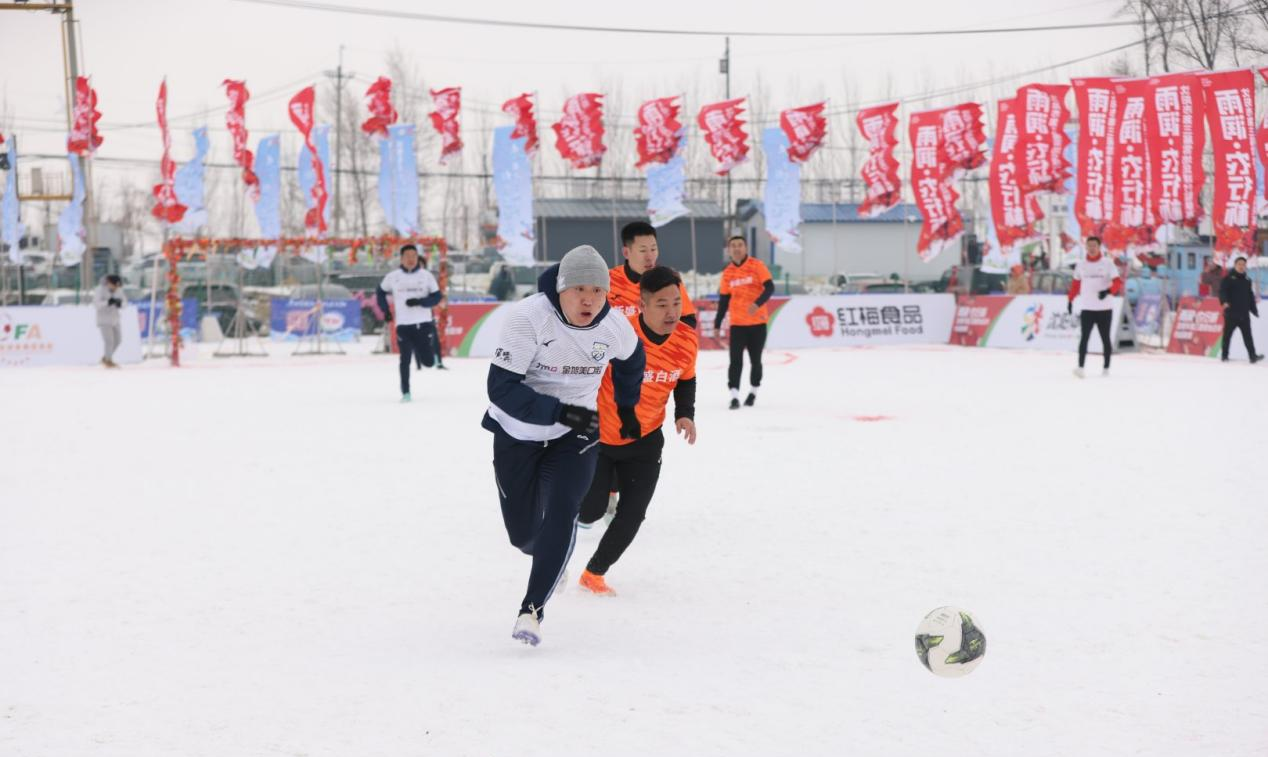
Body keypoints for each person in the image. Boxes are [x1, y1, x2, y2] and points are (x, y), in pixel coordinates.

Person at [482, 245, 645, 647]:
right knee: (523, 536)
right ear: (560, 289)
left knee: (562, 509)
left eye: (597, 290)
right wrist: (558, 412)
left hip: (577, 433)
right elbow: (501, 389)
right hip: (517, 432)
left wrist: (626, 408)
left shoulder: (615, 327)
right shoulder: (528, 318)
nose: (588, 299)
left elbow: (632, 361)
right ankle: (550, 558)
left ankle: (531, 610)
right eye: (578, 290)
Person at [576, 266, 698, 597]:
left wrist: (684, 414)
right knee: (590, 511)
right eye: (662, 304)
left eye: (676, 303)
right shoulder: (617, 334)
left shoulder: (687, 339)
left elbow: (686, 378)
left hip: (646, 440)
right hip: (601, 438)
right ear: (642, 305)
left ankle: (594, 574)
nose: (672, 312)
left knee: (633, 515)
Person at [376, 244, 443, 402]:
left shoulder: (426, 276)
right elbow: (380, 291)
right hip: (403, 325)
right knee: (404, 359)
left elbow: (437, 297)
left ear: (417, 258)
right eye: (407, 256)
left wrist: (420, 302)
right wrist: (386, 311)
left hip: (424, 324)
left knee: (428, 362)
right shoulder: (393, 276)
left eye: (414, 256)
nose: (411, 259)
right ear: (401, 258)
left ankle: (427, 355)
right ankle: (406, 392)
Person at [714, 235, 774, 408]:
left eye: (740, 245)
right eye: (733, 245)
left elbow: (770, 287)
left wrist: (757, 303)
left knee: (756, 360)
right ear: (729, 250)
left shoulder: (757, 265)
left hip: (758, 323)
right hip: (737, 324)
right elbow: (724, 301)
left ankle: (753, 391)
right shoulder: (728, 273)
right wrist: (717, 324)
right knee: (735, 361)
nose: (736, 248)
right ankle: (734, 395)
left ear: (746, 248)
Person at [607, 221, 697, 328]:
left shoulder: (668, 278)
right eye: (643, 250)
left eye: (653, 249)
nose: (650, 257)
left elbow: (688, 321)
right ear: (626, 252)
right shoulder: (607, 281)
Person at [1067, 236, 1122, 378]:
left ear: (1099, 247)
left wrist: (1108, 291)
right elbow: (1075, 285)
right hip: (1087, 308)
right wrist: (1070, 300)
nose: (1092, 248)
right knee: (1084, 338)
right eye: (1089, 245)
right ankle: (1080, 367)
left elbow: (1117, 283)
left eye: (1094, 246)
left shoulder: (1108, 263)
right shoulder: (1081, 265)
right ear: (1086, 247)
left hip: (1104, 308)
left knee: (1105, 338)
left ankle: (1106, 368)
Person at [1219, 256, 1263, 364]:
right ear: (1235, 265)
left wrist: (1254, 310)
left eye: (1243, 264)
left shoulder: (1247, 280)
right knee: (1227, 336)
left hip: (1244, 314)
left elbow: (1250, 296)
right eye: (1239, 264)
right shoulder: (1228, 278)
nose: (1241, 266)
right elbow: (1222, 291)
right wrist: (1224, 302)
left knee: (1248, 336)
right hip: (1231, 313)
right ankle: (1224, 355)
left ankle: (1252, 356)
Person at [93, 274, 125, 368]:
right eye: (114, 285)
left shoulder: (119, 290)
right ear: (109, 283)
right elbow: (96, 304)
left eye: (117, 286)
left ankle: (106, 357)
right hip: (104, 320)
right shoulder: (100, 290)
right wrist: (108, 302)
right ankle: (108, 360)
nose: (116, 288)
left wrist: (120, 304)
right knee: (109, 341)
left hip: (115, 319)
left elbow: (125, 302)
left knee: (118, 340)